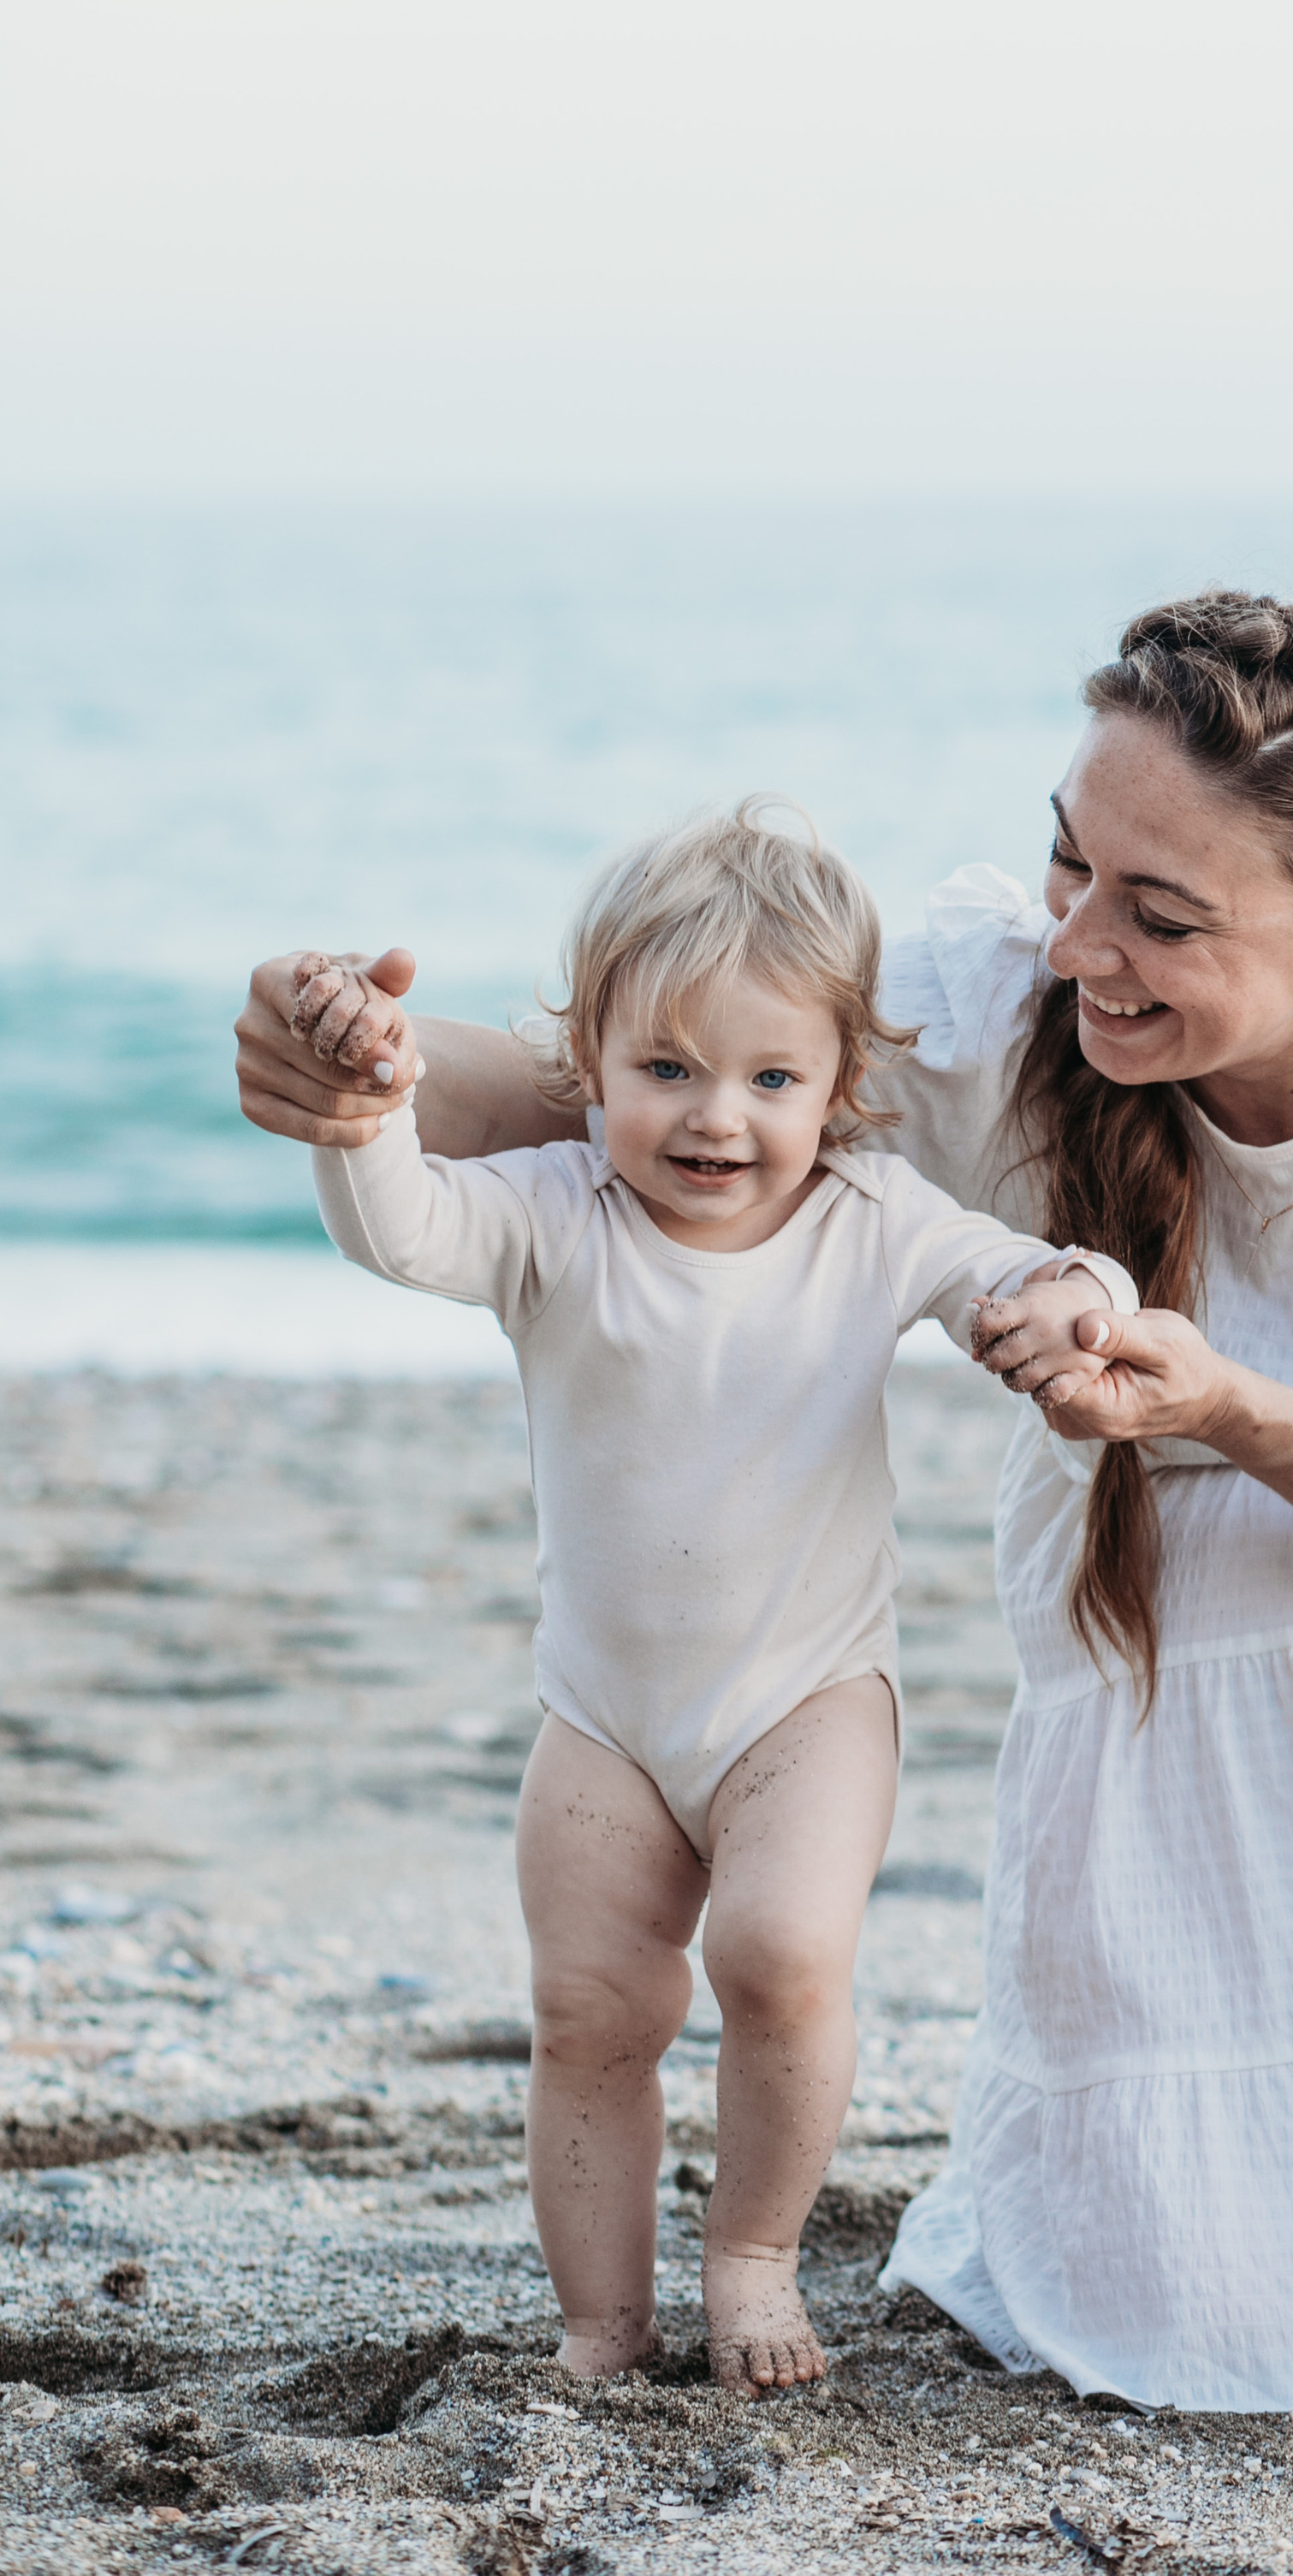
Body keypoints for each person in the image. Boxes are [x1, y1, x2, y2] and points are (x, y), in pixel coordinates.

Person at [236, 591, 1293, 2415]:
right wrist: (358, 1074)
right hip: (1183, 1743)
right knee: (1180, 2300)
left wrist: (1223, 1401)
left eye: (1159, 915)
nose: (1077, 946)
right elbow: (668, 1070)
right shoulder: (1028, 992)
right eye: (1073, 868)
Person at [282, 803, 1134, 2390]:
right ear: (587, 1065)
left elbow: (1016, 1272)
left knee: (780, 1957)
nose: (714, 1117)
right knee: (588, 2010)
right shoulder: (553, 1215)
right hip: (603, 1717)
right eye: (665, 1070)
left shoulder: (870, 1224)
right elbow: (402, 1233)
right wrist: (363, 1115)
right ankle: (601, 2323)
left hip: (808, 1702)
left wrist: (1075, 1302)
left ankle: (751, 2260)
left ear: (841, 1085)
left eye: (770, 1078)